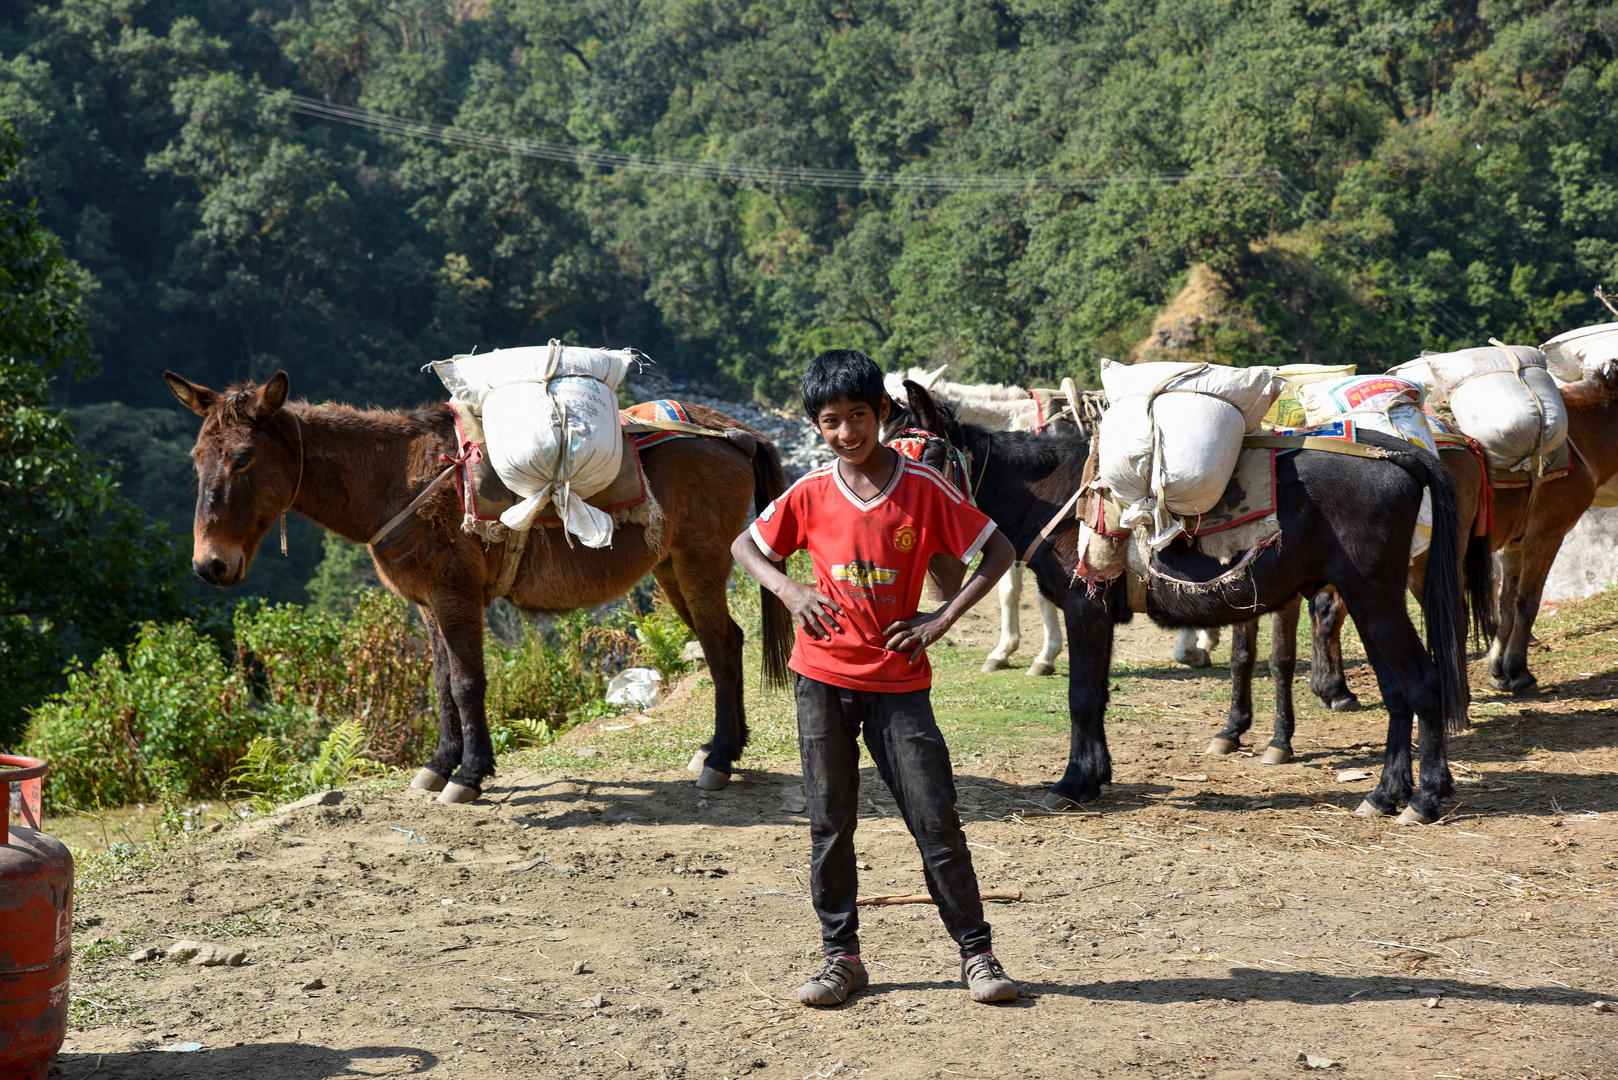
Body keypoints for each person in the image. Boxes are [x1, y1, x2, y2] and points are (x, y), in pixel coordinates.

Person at [730, 348, 1019, 1007]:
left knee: (935, 817)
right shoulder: (807, 493)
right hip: (821, 679)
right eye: (831, 422)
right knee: (831, 824)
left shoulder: (921, 487)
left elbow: (997, 548)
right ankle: (841, 959)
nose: (847, 433)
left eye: (858, 417)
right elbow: (745, 546)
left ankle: (978, 955)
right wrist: (789, 592)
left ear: (882, 414)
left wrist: (941, 619)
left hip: (900, 684)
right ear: (817, 426)